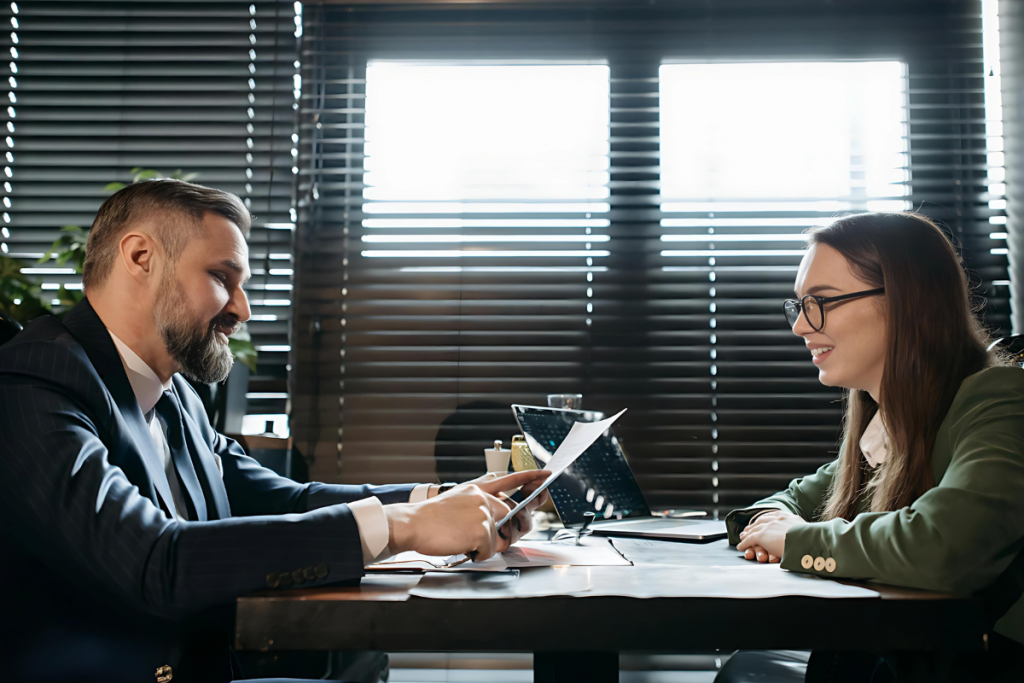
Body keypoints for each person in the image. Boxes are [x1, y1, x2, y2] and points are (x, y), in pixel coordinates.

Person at [0, 179, 551, 683]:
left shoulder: (174, 396)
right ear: (140, 256)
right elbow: (155, 559)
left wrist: (436, 501)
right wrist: (401, 527)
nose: (242, 308)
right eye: (222, 278)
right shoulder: (35, 382)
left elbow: (283, 499)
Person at [716, 212, 1024, 682]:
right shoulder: (889, 426)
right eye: (797, 305)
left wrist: (795, 538)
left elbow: (943, 547)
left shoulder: (1002, 399)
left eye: (820, 302)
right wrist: (769, 524)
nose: (800, 326)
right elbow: (795, 500)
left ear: (905, 303)